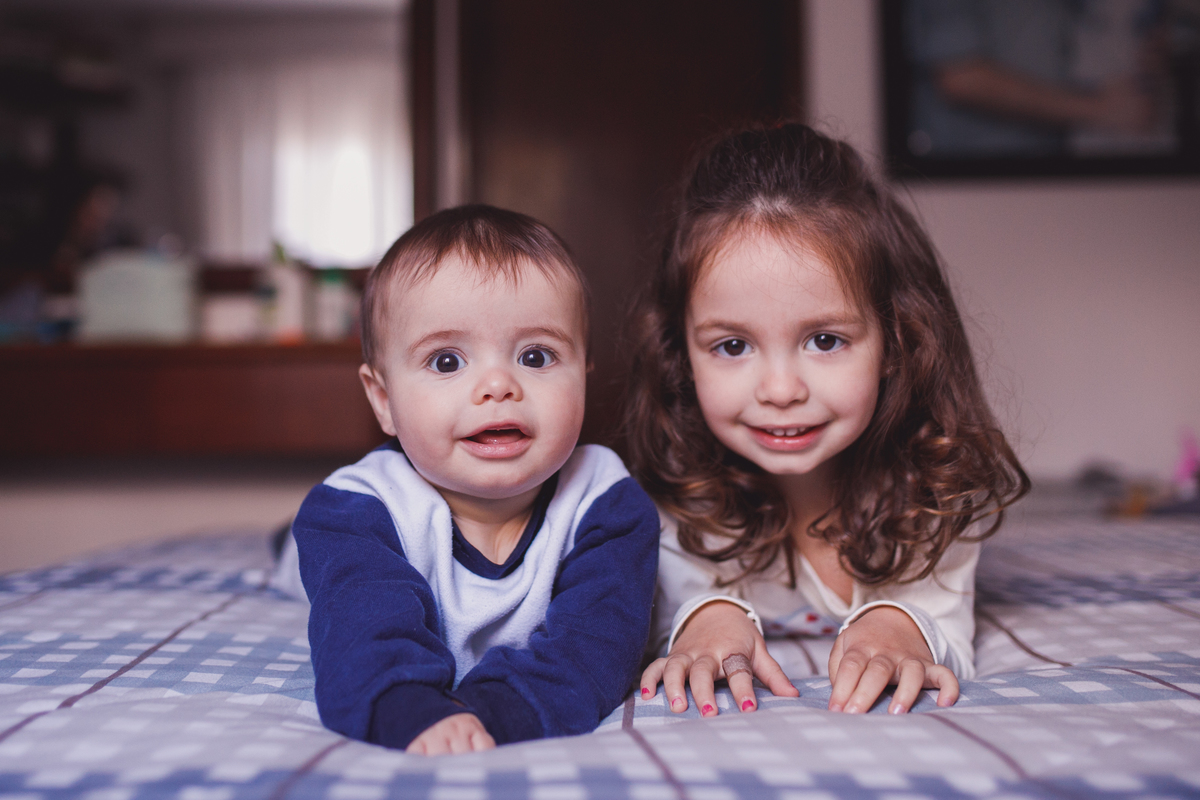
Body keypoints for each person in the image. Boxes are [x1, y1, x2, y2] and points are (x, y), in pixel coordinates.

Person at [627, 123, 1029, 719]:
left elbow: (943, 617)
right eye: (732, 346)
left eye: (824, 339)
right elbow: (677, 597)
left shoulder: (939, 480)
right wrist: (707, 620)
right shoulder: (676, 493)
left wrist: (899, 629)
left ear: (897, 340)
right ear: (679, 354)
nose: (782, 390)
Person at [283, 205, 659, 755]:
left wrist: (497, 711)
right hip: (342, 557)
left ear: (584, 374)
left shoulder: (607, 501)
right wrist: (407, 707)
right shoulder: (355, 511)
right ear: (384, 401)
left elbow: (598, 643)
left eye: (536, 355)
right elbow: (361, 637)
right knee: (307, 565)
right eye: (445, 361)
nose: (497, 385)